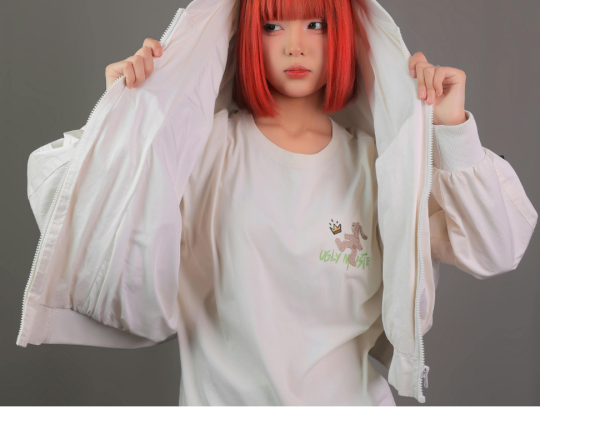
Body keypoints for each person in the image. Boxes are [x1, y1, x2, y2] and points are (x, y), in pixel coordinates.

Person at [18, 0, 538, 406]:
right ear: (247, 36)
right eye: (272, 26)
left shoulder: (381, 165)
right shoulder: (201, 151)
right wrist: (123, 124)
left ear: (344, 34)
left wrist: (450, 127)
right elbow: (88, 233)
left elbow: (497, 247)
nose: (295, 45)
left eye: (316, 24)